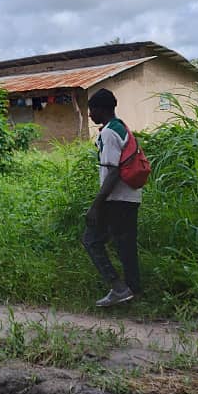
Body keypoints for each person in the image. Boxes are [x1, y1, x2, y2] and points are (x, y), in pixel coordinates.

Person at [83, 88, 141, 307]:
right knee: (126, 246)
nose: (90, 114)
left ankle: (118, 288)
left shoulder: (108, 132)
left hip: (116, 198)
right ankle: (133, 291)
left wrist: (96, 206)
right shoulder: (122, 127)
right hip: (130, 196)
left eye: (91, 109)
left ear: (101, 109)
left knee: (90, 240)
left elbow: (113, 172)